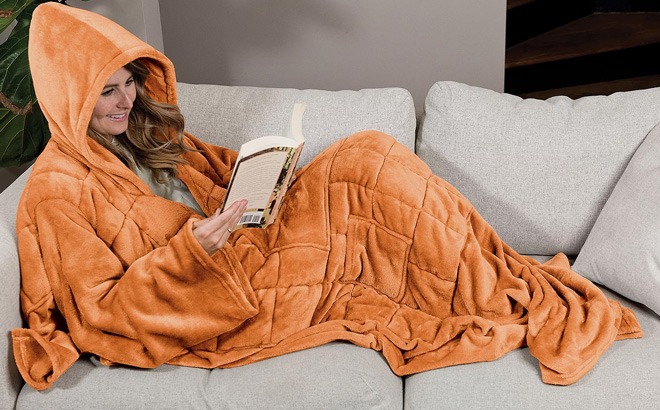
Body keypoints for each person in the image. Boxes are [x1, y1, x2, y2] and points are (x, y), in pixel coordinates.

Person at [11, 2, 642, 391]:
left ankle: (494, 278)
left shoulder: (147, 133)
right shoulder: (56, 192)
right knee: (367, 174)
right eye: (106, 92)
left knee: (369, 153)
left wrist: (266, 174)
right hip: (221, 294)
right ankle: (498, 292)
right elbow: (100, 315)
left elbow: (224, 173)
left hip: (256, 238)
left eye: (128, 84)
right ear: (70, 97)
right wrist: (191, 253)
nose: (124, 101)